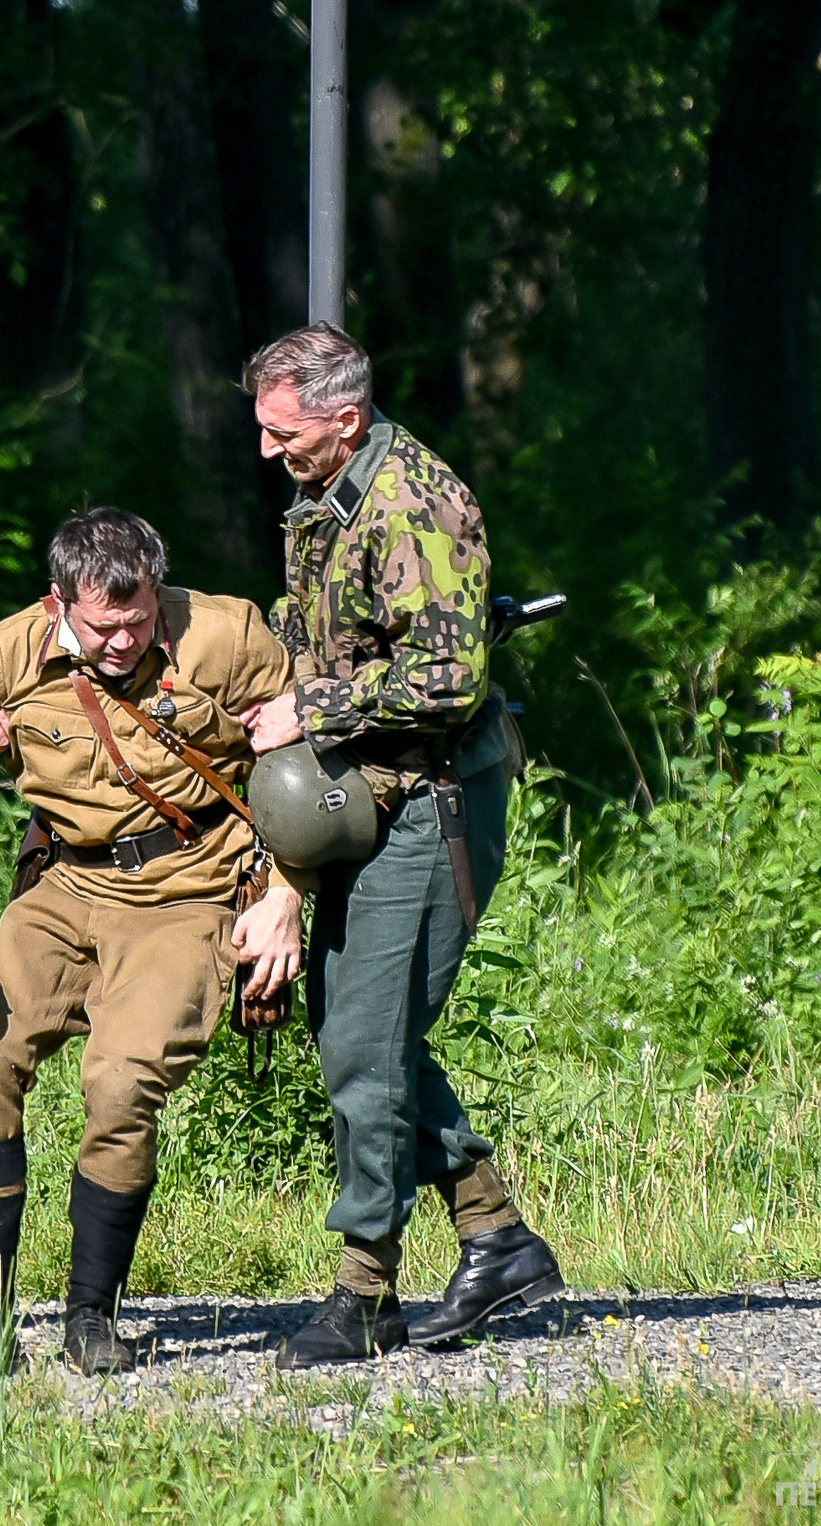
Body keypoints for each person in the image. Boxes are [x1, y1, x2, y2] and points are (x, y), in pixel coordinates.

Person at [0, 507, 309, 1374]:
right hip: (65, 882)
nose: (122, 641)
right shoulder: (12, 650)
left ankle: (91, 1315)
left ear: (159, 592)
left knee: (120, 1084)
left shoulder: (226, 635)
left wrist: (288, 893)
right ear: (58, 602)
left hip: (187, 890)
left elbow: (312, 770)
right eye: (100, 625)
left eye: (139, 620)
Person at [240, 322, 564, 1369]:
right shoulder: (324, 492)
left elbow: (447, 678)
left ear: (343, 418)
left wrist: (310, 707)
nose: (266, 450)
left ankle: (363, 1290)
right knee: (355, 1030)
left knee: (366, 1048)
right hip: (368, 793)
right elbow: (313, 623)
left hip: (430, 805)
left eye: (282, 430)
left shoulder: (412, 504)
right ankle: (496, 1235)